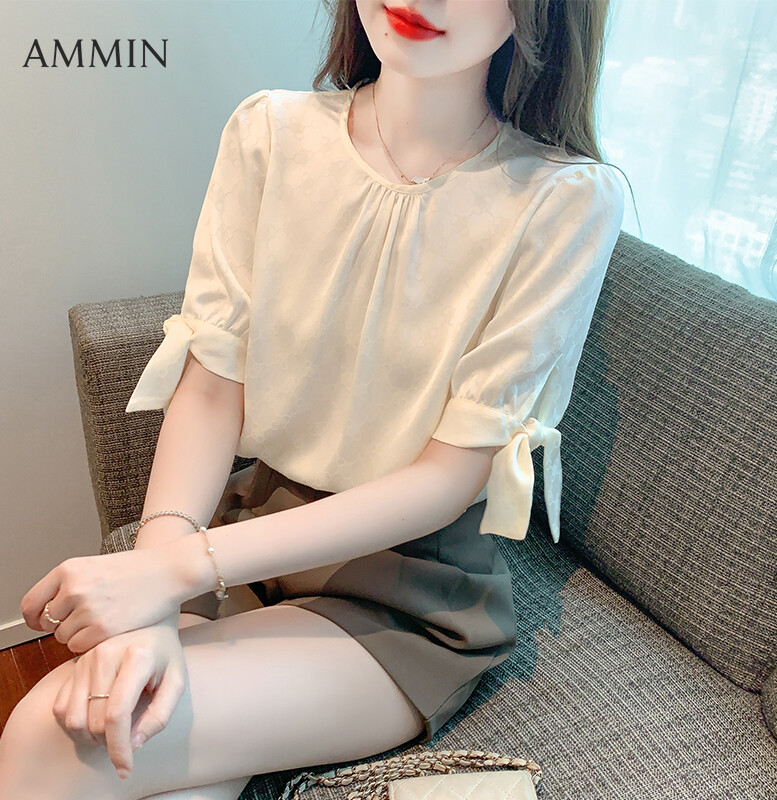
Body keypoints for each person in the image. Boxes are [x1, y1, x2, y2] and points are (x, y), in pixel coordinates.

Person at [0, 1, 628, 798]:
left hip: (403, 595)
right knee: (146, 755)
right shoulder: (269, 132)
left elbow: (447, 480)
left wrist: (172, 572)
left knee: (57, 733)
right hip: (251, 542)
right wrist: (157, 586)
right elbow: (211, 389)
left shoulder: (563, 200)